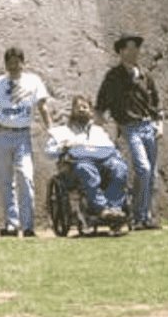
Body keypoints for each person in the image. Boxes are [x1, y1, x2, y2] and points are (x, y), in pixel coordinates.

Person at [0, 47, 52, 237]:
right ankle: (11, 224)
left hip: (22, 135)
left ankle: (28, 225)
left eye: (17, 61)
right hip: (1, 134)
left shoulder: (33, 81)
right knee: (5, 181)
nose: (13, 65)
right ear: (5, 64)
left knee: (26, 177)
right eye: (10, 61)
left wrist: (50, 127)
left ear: (22, 62)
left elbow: (42, 105)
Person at [95, 33, 162, 231]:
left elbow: (156, 105)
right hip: (128, 127)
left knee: (151, 174)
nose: (134, 53)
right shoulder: (113, 76)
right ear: (121, 51)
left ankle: (146, 217)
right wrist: (96, 134)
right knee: (143, 168)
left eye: (136, 49)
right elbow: (100, 106)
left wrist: (160, 124)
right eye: (129, 49)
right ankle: (137, 215)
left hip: (148, 126)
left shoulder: (145, 75)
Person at [45, 95, 128, 223]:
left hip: (102, 164)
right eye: (78, 107)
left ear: (91, 111)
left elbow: (111, 149)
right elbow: (49, 152)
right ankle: (101, 209)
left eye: (85, 107)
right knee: (86, 169)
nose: (82, 110)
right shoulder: (62, 131)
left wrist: (117, 156)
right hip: (75, 168)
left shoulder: (99, 131)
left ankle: (115, 208)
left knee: (120, 167)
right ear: (72, 111)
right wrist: (62, 146)